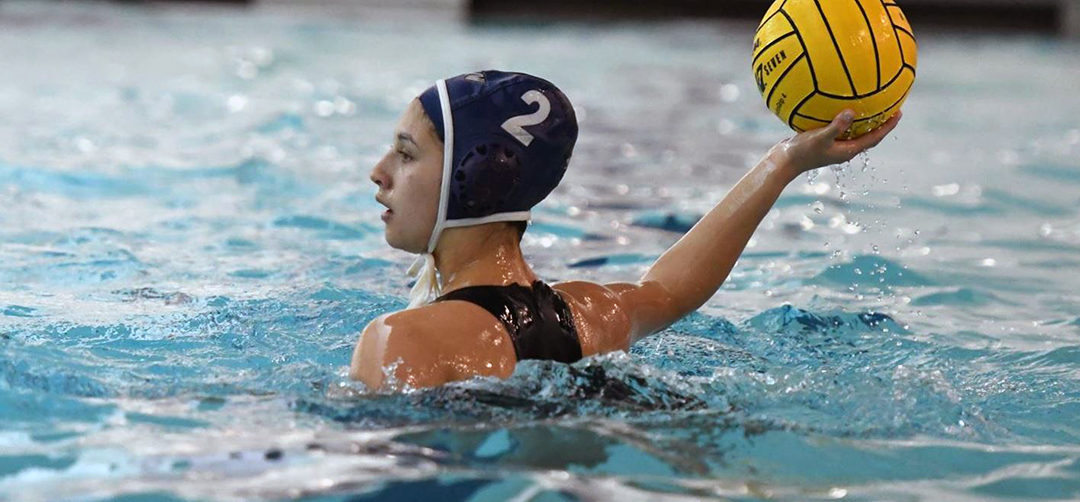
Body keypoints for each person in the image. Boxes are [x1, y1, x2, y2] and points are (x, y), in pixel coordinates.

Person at [350, 70, 900, 392]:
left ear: (477, 177)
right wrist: (786, 161)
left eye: (406, 153)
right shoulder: (593, 315)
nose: (379, 170)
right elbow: (671, 290)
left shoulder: (400, 341)